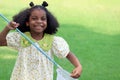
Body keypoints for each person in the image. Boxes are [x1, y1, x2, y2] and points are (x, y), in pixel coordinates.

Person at [0, 1, 82, 80]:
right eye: (34, 18)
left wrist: (78, 66)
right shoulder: (21, 37)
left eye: (43, 19)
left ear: (47, 22)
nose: (39, 21)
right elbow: (1, 42)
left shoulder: (53, 41)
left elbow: (67, 54)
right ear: (27, 22)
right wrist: (7, 28)